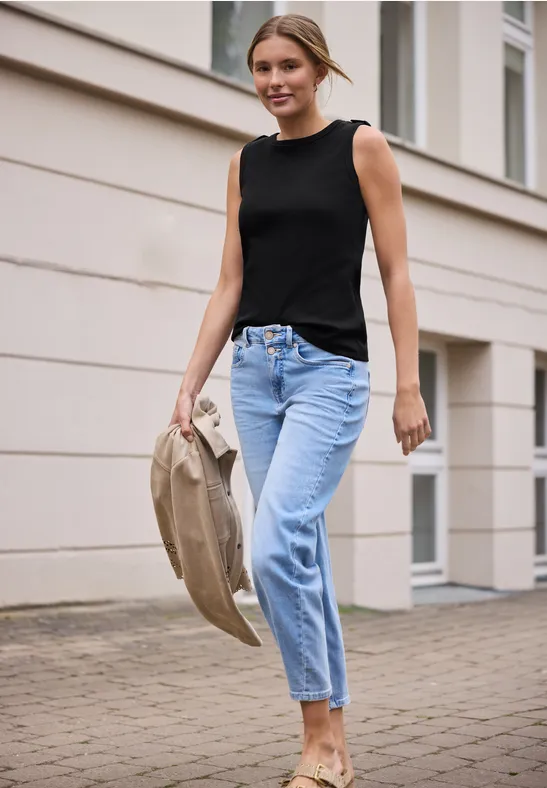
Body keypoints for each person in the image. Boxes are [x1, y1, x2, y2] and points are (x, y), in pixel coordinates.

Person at [170, 13, 431, 788]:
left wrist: (408, 381)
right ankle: (332, 753)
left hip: (328, 371)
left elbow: (395, 272)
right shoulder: (245, 163)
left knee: (274, 545)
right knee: (303, 554)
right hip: (254, 370)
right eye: (261, 68)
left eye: (288, 66)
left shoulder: (361, 146)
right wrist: (190, 380)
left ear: (318, 70)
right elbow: (231, 283)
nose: (274, 81)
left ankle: (317, 737)